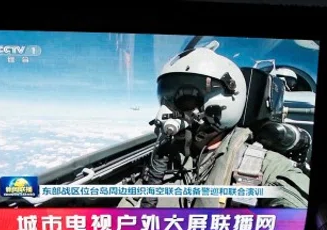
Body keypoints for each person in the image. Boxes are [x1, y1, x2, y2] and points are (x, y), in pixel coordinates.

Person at [131, 40, 310, 211]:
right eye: (166, 100)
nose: (165, 113)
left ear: (226, 101)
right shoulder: (170, 157)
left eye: (184, 100)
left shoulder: (264, 165)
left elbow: (294, 209)